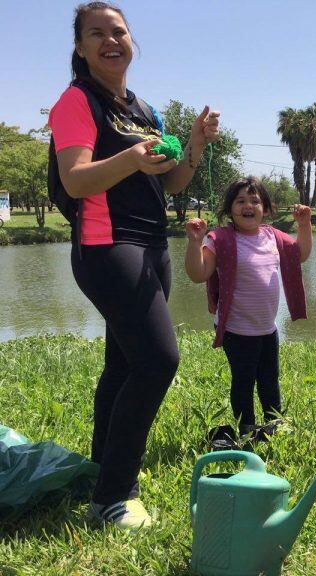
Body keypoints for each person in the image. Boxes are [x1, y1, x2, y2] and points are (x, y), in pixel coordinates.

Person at [48, 2, 219, 530]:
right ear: (80, 48)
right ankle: (114, 495)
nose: (110, 40)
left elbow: (168, 183)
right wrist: (133, 156)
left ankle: (102, 470)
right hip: (106, 246)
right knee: (158, 360)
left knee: (124, 365)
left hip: (151, 247)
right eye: (96, 33)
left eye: (118, 31)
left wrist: (191, 146)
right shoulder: (76, 101)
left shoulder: (144, 109)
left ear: (131, 41)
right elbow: (77, 180)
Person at [185, 177, 311, 444]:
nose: (248, 206)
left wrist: (304, 225)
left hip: (267, 328)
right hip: (237, 330)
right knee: (243, 381)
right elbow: (199, 274)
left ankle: (274, 425)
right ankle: (248, 429)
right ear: (230, 209)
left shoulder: (272, 236)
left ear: (265, 208)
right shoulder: (219, 238)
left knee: (270, 379)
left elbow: (300, 254)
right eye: (240, 201)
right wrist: (194, 243)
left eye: (255, 201)